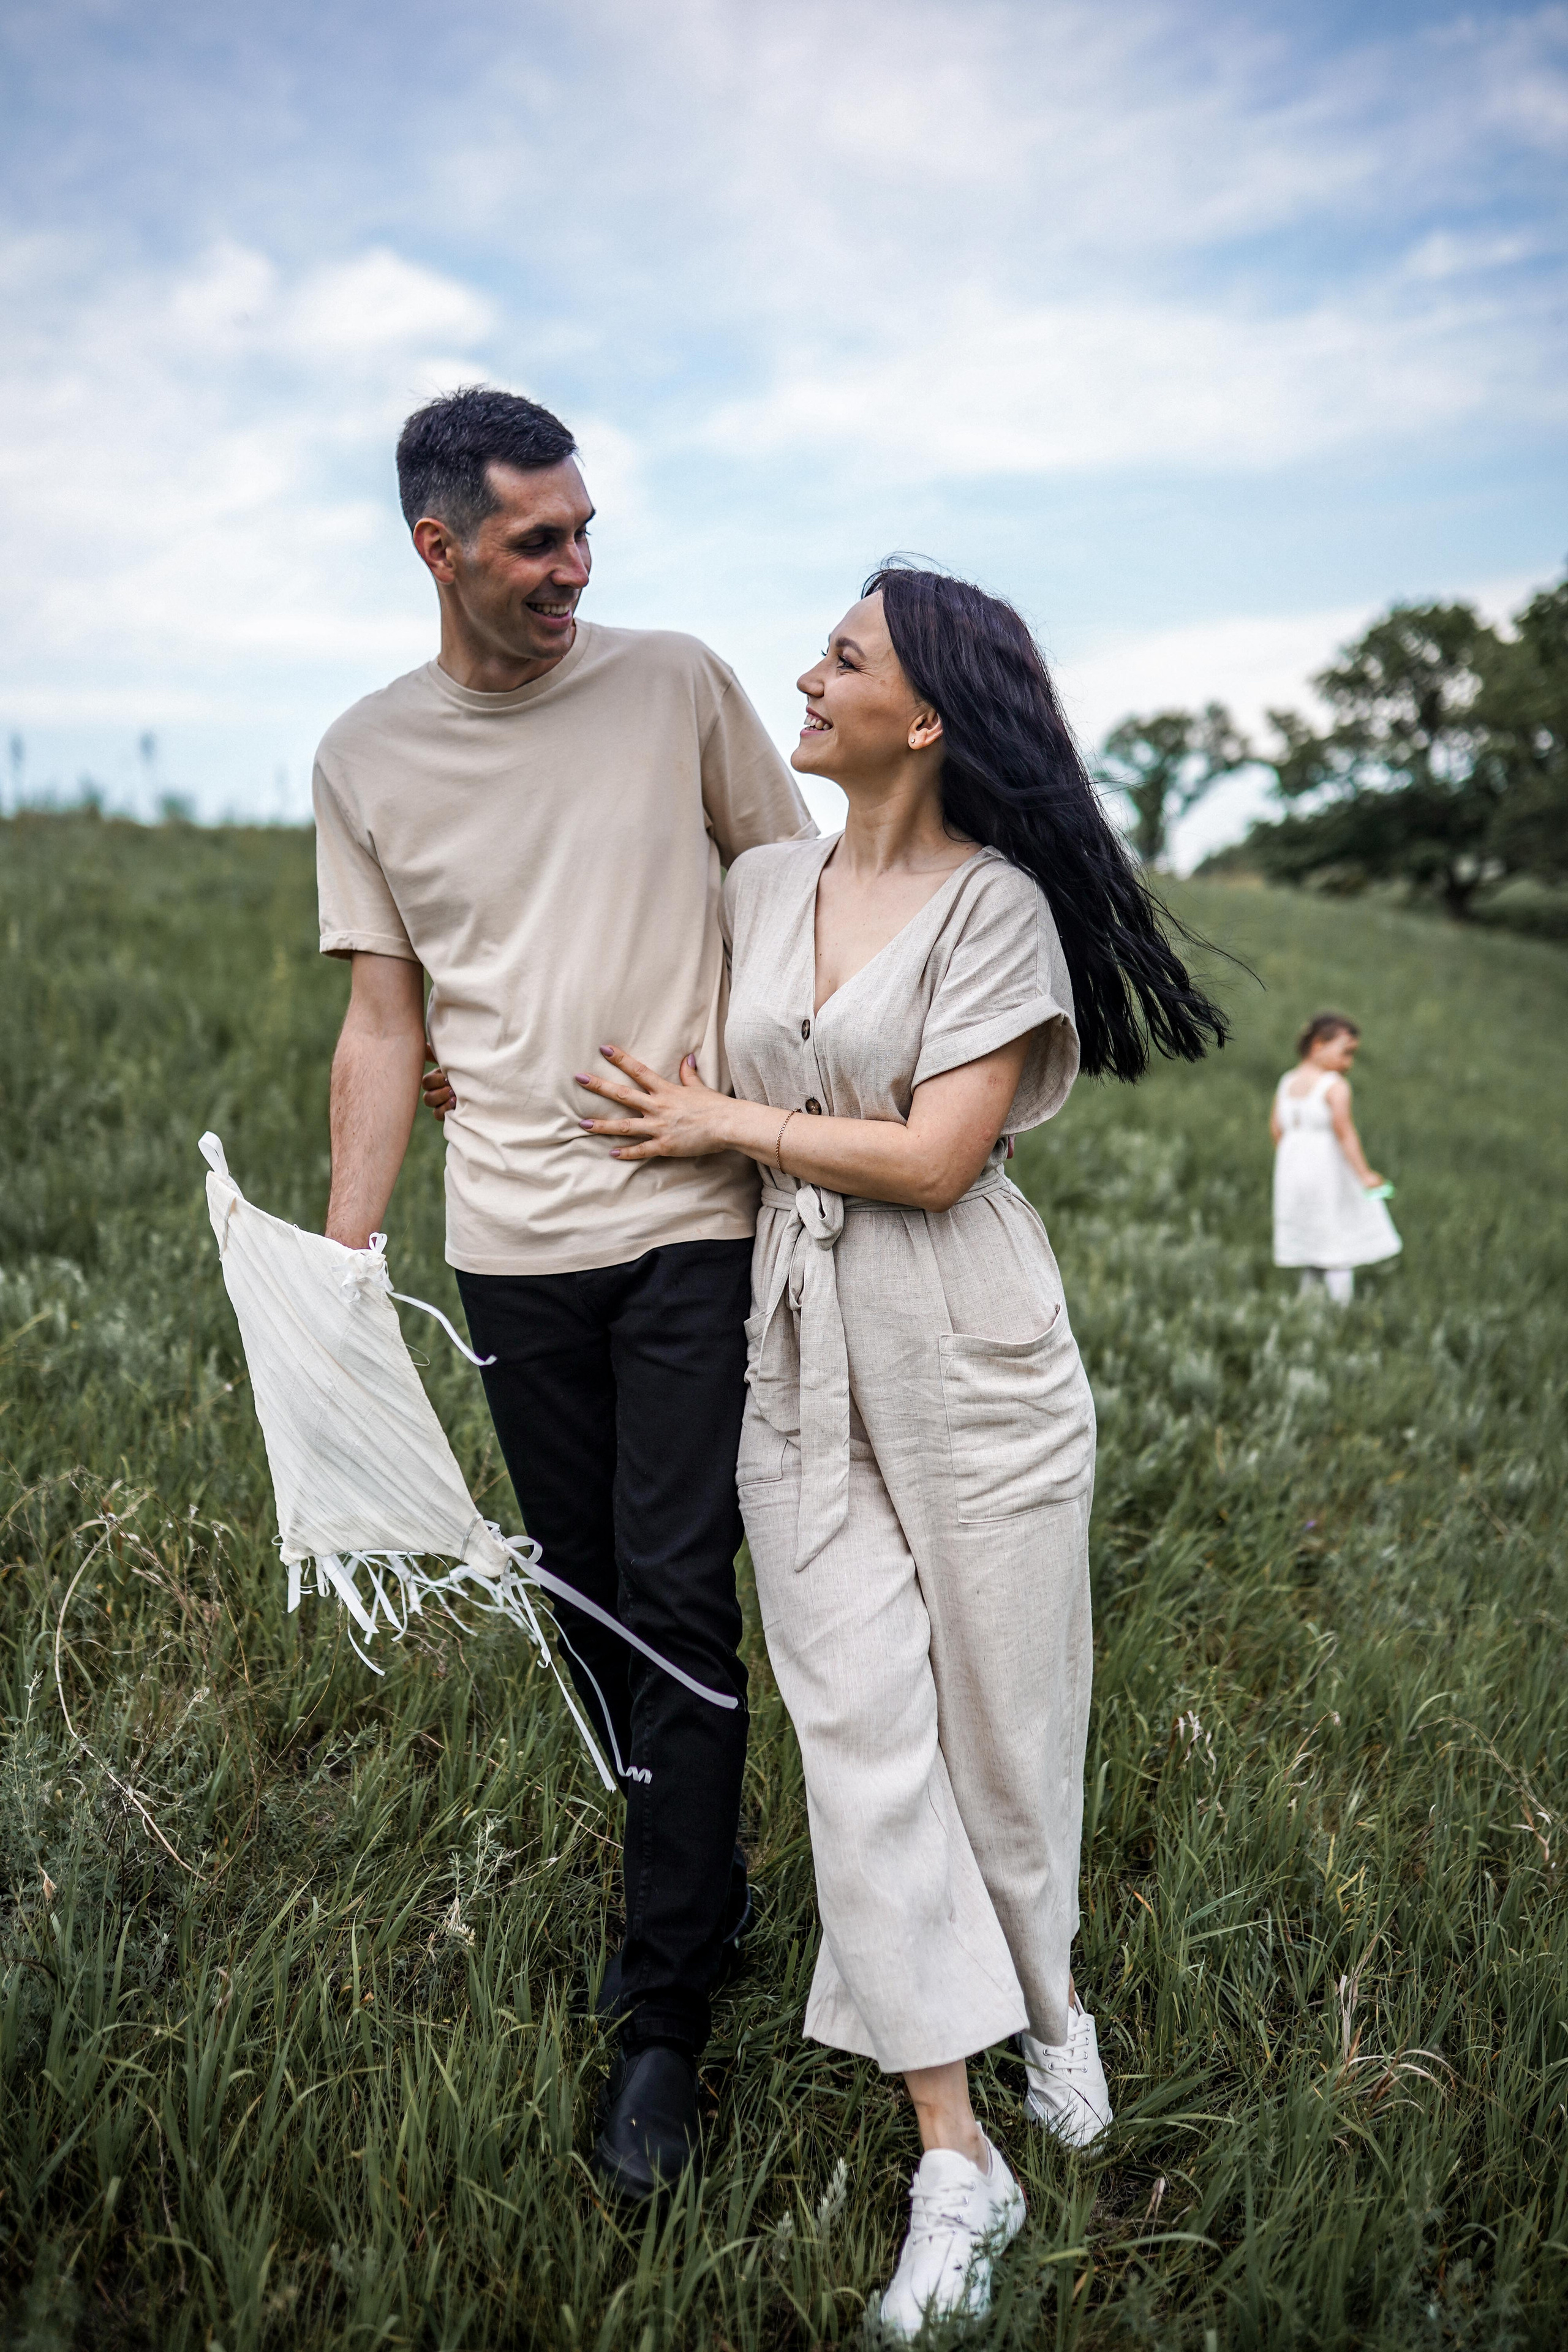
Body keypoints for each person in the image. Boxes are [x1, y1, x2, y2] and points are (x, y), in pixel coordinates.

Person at [569, 564, 1228, 2335]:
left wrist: (725, 1118)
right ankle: (958, 2153)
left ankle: (1047, 2006)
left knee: (1001, 1724)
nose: (806, 672)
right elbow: (662, 1045)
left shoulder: (995, 907)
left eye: (842, 655)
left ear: (922, 716)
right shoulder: (760, 883)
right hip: (793, 1342)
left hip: (968, 1339)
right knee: (858, 1729)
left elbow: (939, 1159)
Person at [313, 385, 816, 2204]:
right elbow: (384, 1021)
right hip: (508, 1242)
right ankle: (704, 1873)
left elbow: (796, 886)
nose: (575, 566)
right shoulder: (364, 756)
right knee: (587, 1597)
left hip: (688, 1211)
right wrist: (343, 1260)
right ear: (437, 546)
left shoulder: (674, 683)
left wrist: (750, 1093)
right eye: (537, 539)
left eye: (585, 530)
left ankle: (662, 2014)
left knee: (674, 1593)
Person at [1271, 1012, 1401, 1303]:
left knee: (1312, 1240)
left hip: (1292, 1173)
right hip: (1327, 1173)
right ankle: (1342, 1309)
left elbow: (1277, 1129)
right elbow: (1345, 1133)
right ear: (1318, 1045)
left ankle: (1305, 1305)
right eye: (1346, 1053)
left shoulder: (1287, 1081)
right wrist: (1364, 1174)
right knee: (1337, 1240)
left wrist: (1293, 1161)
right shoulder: (1335, 1086)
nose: (1349, 1063)